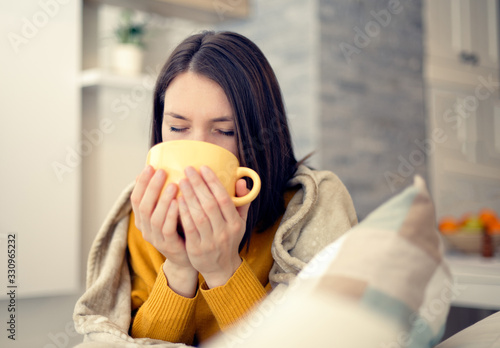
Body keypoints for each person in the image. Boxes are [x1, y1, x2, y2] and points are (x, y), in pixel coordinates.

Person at [73, 30, 357, 347]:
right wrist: (179, 269)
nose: (197, 151)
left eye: (224, 130)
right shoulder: (145, 216)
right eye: (178, 127)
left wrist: (222, 268)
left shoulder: (314, 205)